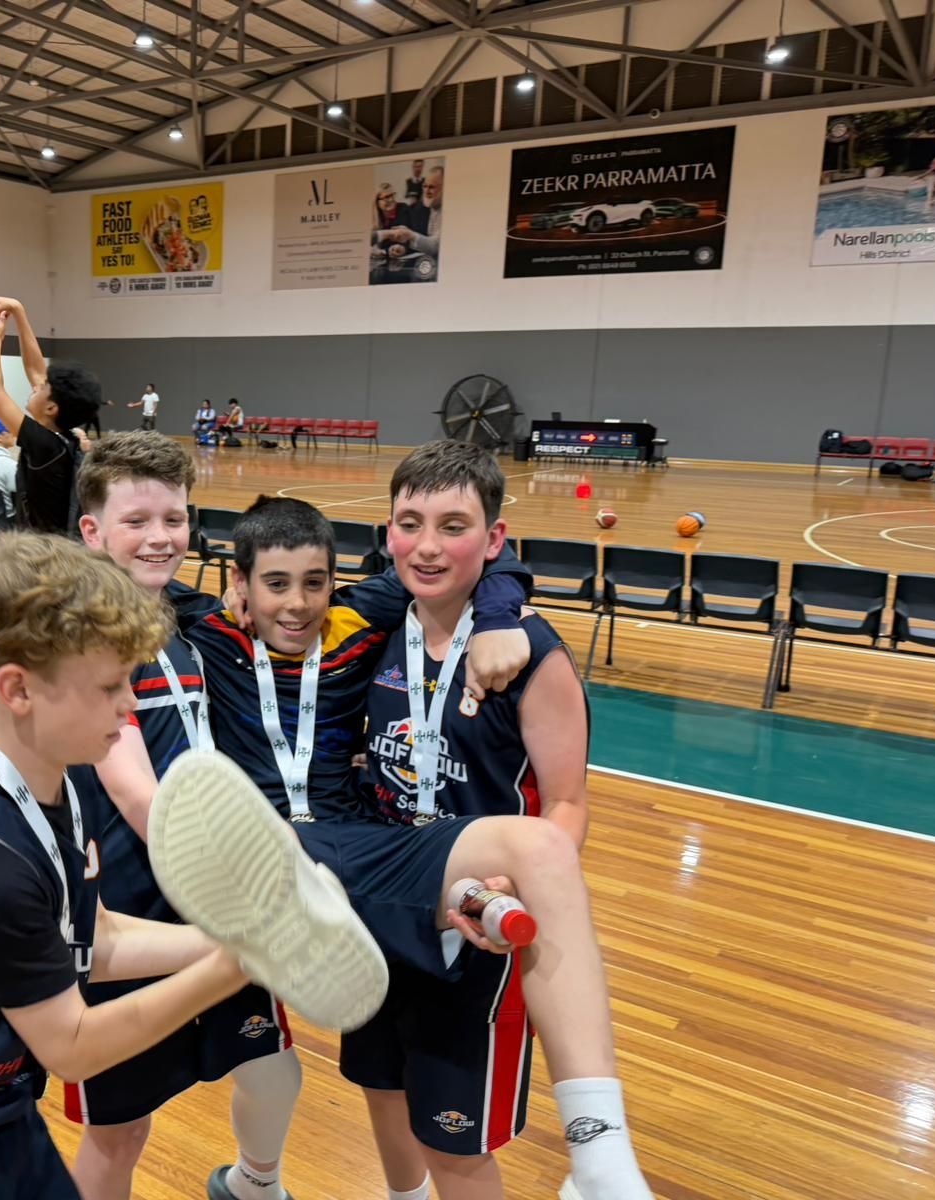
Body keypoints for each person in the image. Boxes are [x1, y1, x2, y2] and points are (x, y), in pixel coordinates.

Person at [0, 533, 381, 1199]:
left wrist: (246, 937)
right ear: (18, 689)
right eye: (111, 687)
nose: (130, 705)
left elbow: (94, 937)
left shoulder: (65, 784)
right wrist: (241, 963)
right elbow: (73, 1046)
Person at [156, 497, 655, 1200]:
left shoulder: (360, 617)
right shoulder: (204, 627)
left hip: (360, 850)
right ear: (238, 586)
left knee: (539, 848)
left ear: (336, 580)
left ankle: (599, 1148)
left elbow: (471, 556)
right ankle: (435, 912)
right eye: (274, 584)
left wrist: (506, 611)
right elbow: (114, 563)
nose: (298, 604)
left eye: (315, 583)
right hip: (263, 856)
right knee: (335, 1070)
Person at [347, 440, 593, 1200]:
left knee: (455, 1142)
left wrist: (519, 883)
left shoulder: (533, 655)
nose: (425, 546)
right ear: (386, 531)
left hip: (475, 929)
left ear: (493, 539)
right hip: (381, 909)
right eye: (408, 522)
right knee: (383, 1092)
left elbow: (567, 804)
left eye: (452, 526)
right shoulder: (369, 634)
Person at [73, 434, 304, 1200]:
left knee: (271, 1065)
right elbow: (137, 794)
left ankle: (253, 1183)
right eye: (136, 520)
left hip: (208, 885)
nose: (160, 536)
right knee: (119, 1129)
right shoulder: (87, 636)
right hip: (133, 906)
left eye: (173, 517)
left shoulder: (185, 620)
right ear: (92, 532)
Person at [0, 295, 102, 536]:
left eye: (43, 387)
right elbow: (37, 370)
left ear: (51, 408)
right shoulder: (59, 439)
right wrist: (19, 311)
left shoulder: (45, 445)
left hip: (43, 554)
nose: (36, 385)